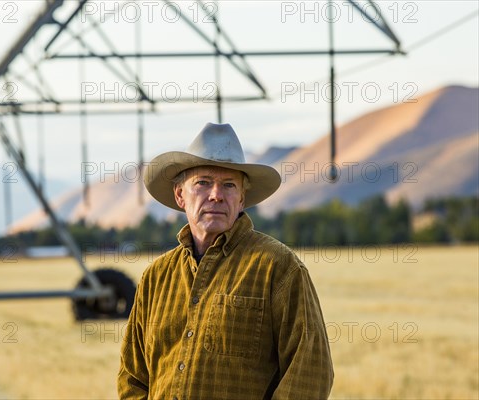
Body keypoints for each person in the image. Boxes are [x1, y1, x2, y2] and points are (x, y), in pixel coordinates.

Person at [118, 123, 334, 399]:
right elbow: (131, 377)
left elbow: (310, 372)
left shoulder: (277, 267)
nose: (216, 195)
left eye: (229, 185)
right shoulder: (156, 277)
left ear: (242, 199)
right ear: (180, 195)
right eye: (203, 182)